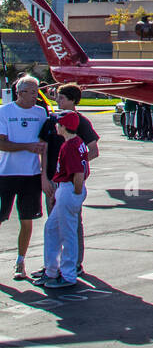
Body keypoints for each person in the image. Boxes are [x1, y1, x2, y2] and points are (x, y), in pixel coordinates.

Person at [39, 82, 99, 275]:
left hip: (70, 181)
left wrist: (75, 169)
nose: (58, 100)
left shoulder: (80, 122)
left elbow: (93, 150)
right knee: (53, 226)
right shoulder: (51, 121)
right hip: (52, 178)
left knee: (72, 224)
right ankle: (53, 265)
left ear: (73, 101)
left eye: (62, 97)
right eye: (57, 96)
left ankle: (74, 263)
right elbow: (44, 149)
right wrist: (45, 178)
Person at [0, 75, 47, 280]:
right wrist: (27, 146)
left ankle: (20, 261)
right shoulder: (4, 112)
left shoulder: (40, 113)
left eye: (37, 91)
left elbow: (45, 145)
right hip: (6, 174)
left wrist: (45, 175)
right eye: (32, 92)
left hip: (31, 175)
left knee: (26, 220)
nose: (36, 96)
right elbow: (2, 144)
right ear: (20, 93)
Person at [39, 111, 89, 289]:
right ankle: (52, 270)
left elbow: (78, 174)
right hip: (65, 189)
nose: (56, 126)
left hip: (69, 189)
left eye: (59, 124)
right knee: (51, 228)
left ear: (64, 126)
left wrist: (75, 195)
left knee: (67, 234)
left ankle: (68, 275)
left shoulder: (70, 146)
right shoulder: (74, 142)